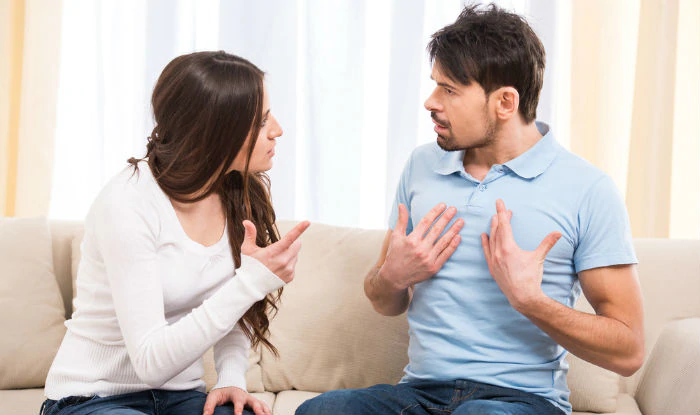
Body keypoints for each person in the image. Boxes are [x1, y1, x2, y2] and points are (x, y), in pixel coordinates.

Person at [296, 4, 643, 415]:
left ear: (505, 102)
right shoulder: (421, 166)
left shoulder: (587, 189)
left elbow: (629, 350)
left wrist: (530, 300)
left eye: (449, 90)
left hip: (520, 402)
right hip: (421, 394)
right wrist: (391, 278)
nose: (430, 101)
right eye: (434, 85)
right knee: (318, 412)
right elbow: (384, 299)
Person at [41, 51, 310, 415]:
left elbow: (233, 310)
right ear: (217, 131)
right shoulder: (128, 204)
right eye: (262, 121)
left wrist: (232, 379)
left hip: (179, 398)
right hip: (91, 398)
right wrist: (251, 282)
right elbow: (150, 362)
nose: (277, 129)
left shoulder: (239, 192)